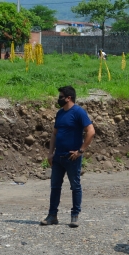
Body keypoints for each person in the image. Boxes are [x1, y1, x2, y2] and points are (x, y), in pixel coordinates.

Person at [40, 86, 95, 228]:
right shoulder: (60, 113)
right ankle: (52, 216)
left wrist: (80, 151)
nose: (59, 99)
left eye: (61, 96)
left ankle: (75, 216)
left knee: (75, 186)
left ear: (68, 98)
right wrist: (50, 153)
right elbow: (54, 134)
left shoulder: (78, 112)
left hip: (72, 158)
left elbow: (91, 131)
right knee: (55, 186)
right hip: (58, 157)